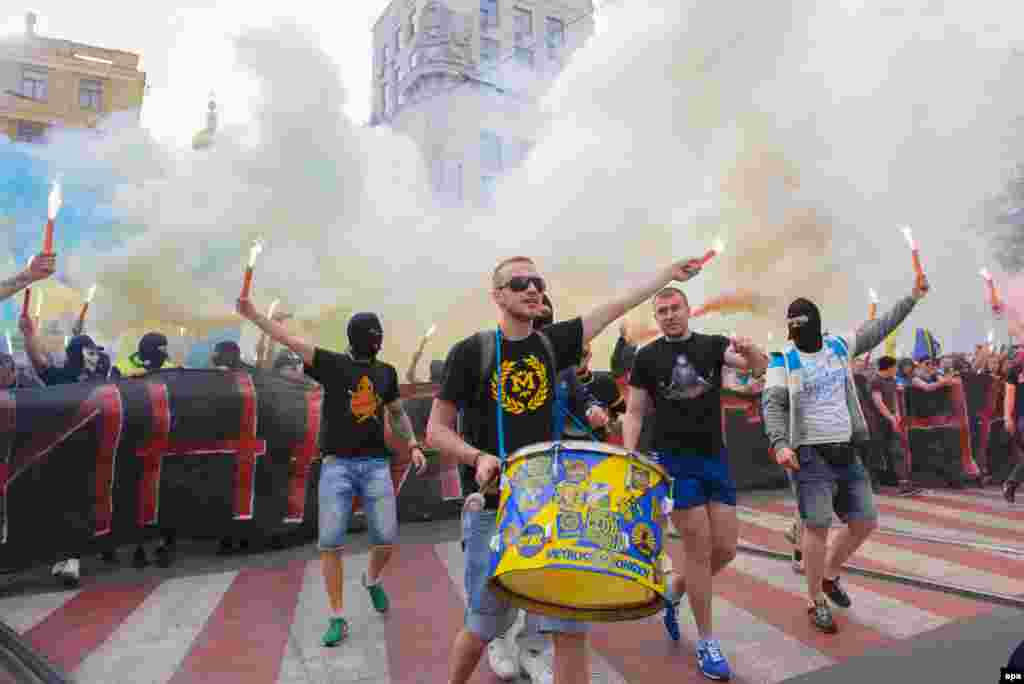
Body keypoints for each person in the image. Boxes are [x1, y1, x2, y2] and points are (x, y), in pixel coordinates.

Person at [426, 254, 705, 684]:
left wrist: (667, 275)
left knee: (571, 623)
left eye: (537, 280)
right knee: (484, 626)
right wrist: (476, 457)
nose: (533, 288)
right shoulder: (472, 352)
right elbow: (435, 431)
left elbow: (615, 307)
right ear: (497, 295)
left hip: (551, 507)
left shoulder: (550, 345)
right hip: (494, 510)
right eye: (519, 283)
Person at [236, 299, 427, 647]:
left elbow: (396, 412)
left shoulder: (387, 372)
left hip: (375, 467)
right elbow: (287, 338)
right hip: (336, 466)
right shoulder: (331, 364)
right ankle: (338, 616)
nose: (377, 340)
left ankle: (370, 580)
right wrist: (255, 316)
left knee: (386, 537)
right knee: (330, 543)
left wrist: (413, 443)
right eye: (372, 335)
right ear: (359, 339)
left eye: (378, 334)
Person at [763, 276, 929, 634]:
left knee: (865, 521)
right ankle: (815, 601)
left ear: (817, 327)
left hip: (846, 451)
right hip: (809, 456)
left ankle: (829, 576)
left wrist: (912, 297)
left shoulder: (839, 346)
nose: (799, 338)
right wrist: (780, 444)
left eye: (803, 330)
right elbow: (772, 405)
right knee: (817, 527)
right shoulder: (783, 360)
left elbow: (880, 325)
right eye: (794, 332)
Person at [622, 286, 767, 680]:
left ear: (687, 310)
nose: (669, 315)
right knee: (699, 549)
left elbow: (757, 368)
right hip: (674, 464)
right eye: (662, 311)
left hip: (714, 459)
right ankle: (706, 642)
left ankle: (674, 591)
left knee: (726, 549)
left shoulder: (713, 346)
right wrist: (629, 454)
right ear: (656, 318)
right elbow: (633, 412)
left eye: (674, 308)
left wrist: (751, 349)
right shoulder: (646, 357)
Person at [870, 356, 921, 495]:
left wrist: (897, 414)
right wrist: (891, 417)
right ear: (889, 367)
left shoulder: (892, 380)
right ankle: (874, 484)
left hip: (892, 420)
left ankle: (903, 483)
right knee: (878, 452)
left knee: (897, 451)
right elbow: (878, 403)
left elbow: (893, 399)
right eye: (894, 367)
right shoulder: (875, 381)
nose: (896, 370)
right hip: (878, 423)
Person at [1002, 358, 1024, 504]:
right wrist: (1007, 417)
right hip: (1020, 418)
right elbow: (1009, 395)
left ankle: (1011, 484)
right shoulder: (1015, 369)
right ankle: (1011, 484)